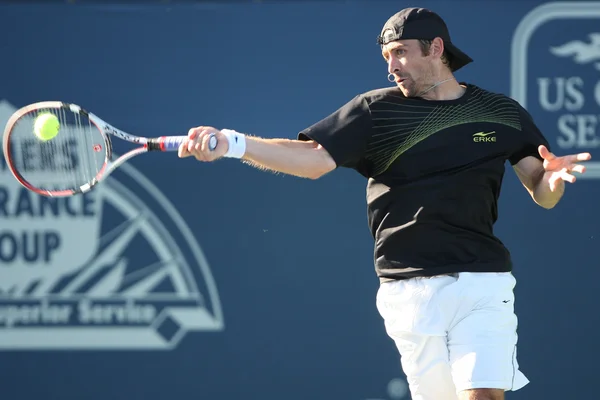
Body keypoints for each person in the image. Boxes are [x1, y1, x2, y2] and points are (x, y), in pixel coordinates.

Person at [178, 7, 591, 400]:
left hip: (483, 280)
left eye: (400, 53)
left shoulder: (500, 112)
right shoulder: (375, 110)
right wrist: (234, 144)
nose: (391, 65)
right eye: (386, 56)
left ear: (435, 49)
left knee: (483, 392)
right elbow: (312, 160)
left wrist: (551, 180)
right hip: (408, 289)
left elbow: (542, 191)